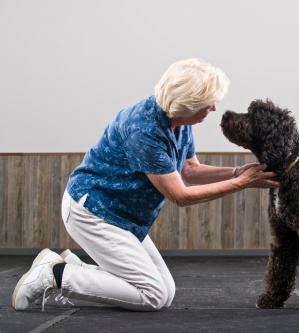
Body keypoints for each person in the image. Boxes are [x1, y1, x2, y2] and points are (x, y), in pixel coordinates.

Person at [12, 58, 279, 311]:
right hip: (93, 212)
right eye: (208, 103)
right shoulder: (144, 131)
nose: (213, 109)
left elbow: (189, 169)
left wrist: (235, 172)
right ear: (187, 104)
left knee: (166, 292)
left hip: (122, 216)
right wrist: (242, 183)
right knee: (153, 295)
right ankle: (55, 275)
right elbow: (180, 196)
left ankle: (68, 266)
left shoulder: (179, 121)